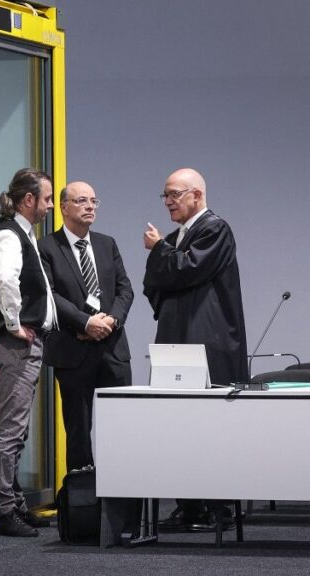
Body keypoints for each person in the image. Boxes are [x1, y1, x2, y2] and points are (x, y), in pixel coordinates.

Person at [143, 167, 248, 531]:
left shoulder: (215, 229)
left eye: (175, 194)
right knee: (177, 425)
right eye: (165, 195)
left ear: (197, 196)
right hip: (176, 339)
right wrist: (163, 254)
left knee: (212, 428)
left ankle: (219, 506)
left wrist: (160, 250)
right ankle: (189, 505)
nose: (168, 202)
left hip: (208, 342)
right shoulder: (175, 236)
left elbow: (185, 270)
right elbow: (154, 281)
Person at [0, 168, 57, 537]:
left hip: (21, 343)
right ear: (29, 200)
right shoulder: (9, 236)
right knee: (11, 428)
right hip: (14, 344)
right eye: (47, 199)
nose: (50, 206)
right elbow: (5, 279)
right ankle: (5, 511)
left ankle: (16, 503)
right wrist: (14, 324)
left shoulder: (19, 233)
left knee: (18, 428)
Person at [38, 181, 133, 472]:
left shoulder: (107, 243)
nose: (90, 206)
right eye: (81, 201)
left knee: (121, 427)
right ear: (63, 207)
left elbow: (124, 289)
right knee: (78, 431)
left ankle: (121, 490)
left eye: (94, 201)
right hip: (73, 349)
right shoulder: (46, 248)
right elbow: (48, 294)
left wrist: (111, 320)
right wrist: (85, 322)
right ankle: (83, 501)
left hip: (112, 347)